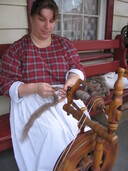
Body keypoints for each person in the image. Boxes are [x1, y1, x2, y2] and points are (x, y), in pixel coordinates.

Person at [1, 0, 90, 170]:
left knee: (83, 124)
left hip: (63, 96)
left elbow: (77, 67)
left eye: (51, 20)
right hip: (30, 99)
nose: (47, 26)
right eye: (42, 19)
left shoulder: (63, 44)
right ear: (32, 18)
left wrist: (71, 82)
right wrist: (34, 88)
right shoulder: (17, 49)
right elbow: (6, 83)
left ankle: (81, 164)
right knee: (52, 133)